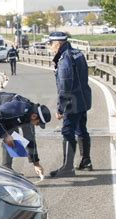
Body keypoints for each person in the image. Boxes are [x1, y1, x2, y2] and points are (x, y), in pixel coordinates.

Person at [0, 91, 51, 176]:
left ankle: (6, 169)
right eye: (38, 123)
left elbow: (30, 140)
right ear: (34, 116)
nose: (37, 125)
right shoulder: (19, 107)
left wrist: (36, 164)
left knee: (13, 136)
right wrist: (5, 135)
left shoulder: (30, 116)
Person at [47, 32, 93, 177]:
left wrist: (60, 108)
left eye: (50, 44)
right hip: (83, 98)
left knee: (67, 131)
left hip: (71, 101)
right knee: (81, 129)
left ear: (57, 44)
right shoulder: (77, 53)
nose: (49, 47)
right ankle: (86, 161)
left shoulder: (64, 58)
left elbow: (65, 86)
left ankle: (67, 167)